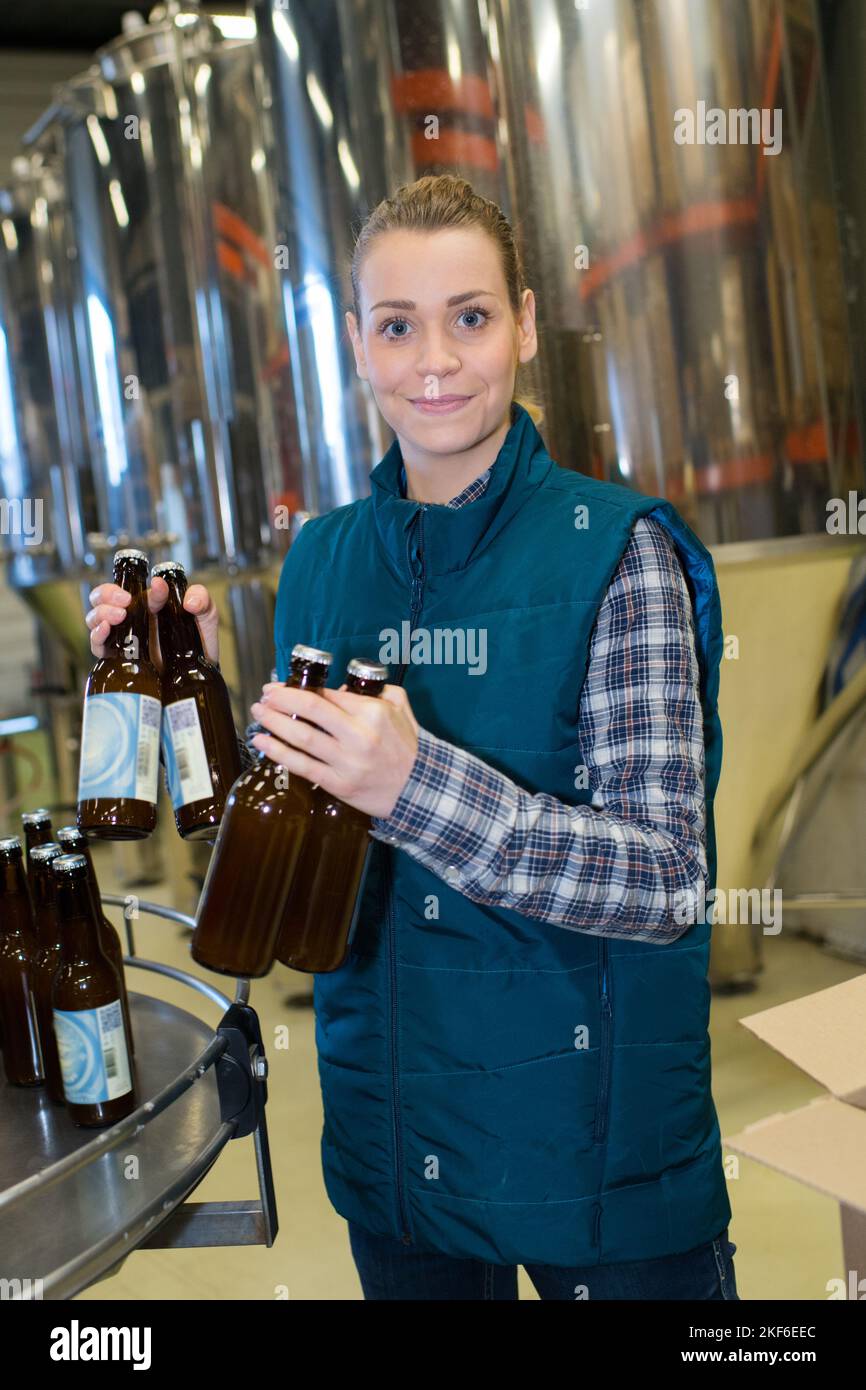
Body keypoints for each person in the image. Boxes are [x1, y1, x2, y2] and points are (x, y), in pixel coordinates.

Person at [84, 173, 738, 1301]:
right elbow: (292, 862)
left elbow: (665, 878)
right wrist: (175, 702)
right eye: (397, 325)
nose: (432, 360)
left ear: (525, 323)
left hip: (594, 1163)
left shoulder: (613, 552)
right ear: (357, 340)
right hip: (397, 1150)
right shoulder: (325, 560)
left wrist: (417, 781)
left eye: (469, 316)